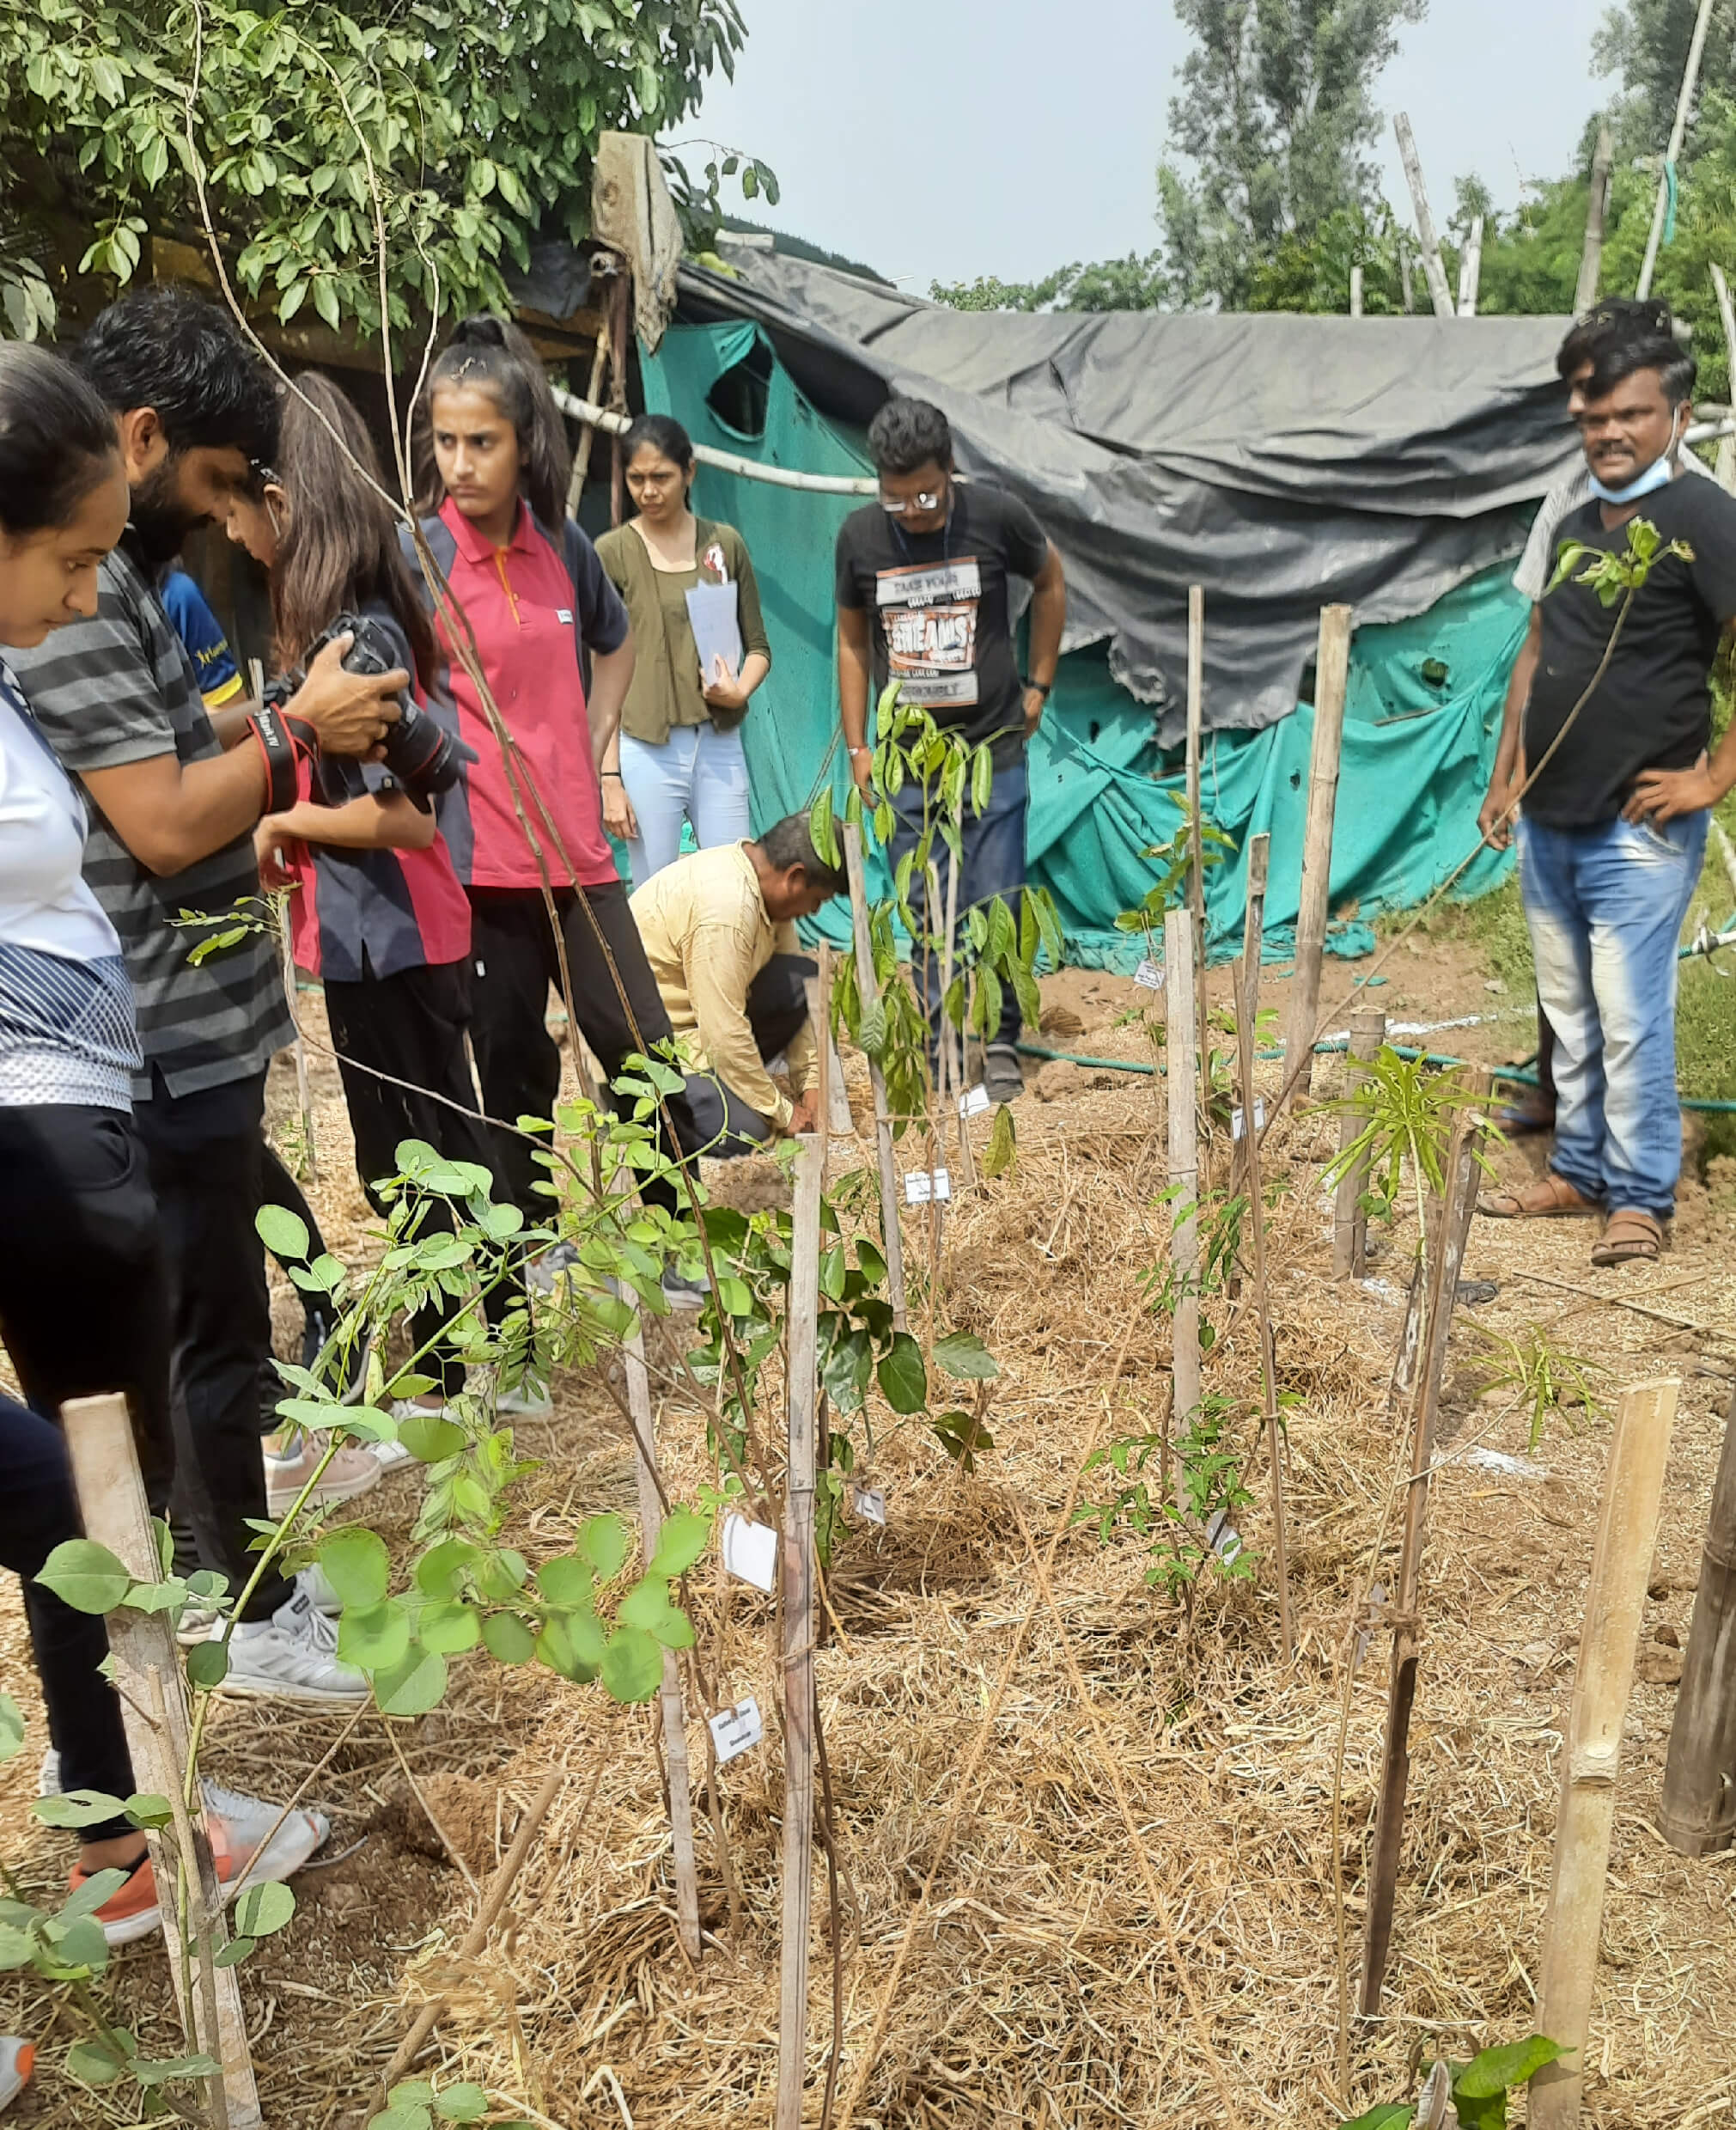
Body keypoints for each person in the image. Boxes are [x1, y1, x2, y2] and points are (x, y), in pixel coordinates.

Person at [6, 286, 393, 1701]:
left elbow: (165, 747)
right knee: (197, 1347)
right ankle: (236, 1615)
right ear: (150, 435)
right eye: (224, 482)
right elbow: (164, 821)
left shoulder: (109, 572)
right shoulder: (84, 578)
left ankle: (216, 1610)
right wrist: (296, 736)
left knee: (214, 1324)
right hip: (144, 1042)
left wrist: (275, 708)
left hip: (188, 1031)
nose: (232, 515)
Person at [0, 341, 329, 1945]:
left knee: (89, 1493)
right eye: (66, 558)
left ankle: (132, 1816)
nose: (82, 593)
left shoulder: (11, 660)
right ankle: (133, 1826)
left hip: (74, 1123)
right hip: (41, 1144)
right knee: (89, 1497)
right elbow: (157, 823)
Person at [230, 372, 517, 1440]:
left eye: (237, 506)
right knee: (396, 1151)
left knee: (430, 1145)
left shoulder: (359, 638)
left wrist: (282, 828)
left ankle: (478, 1357)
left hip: (400, 931)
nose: (231, 529)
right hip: (354, 938)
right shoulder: (340, 627)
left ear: (284, 500)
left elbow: (404, 822)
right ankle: (464, 1355)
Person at [410, 314, 704, 1298]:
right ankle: (532, 1252)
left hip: (578, 859)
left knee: (640, 1046)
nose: (460, 463)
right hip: (481, 869)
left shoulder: (563, 546)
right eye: (445, 442)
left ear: (524, 440)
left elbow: (612, 642)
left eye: (480, 442)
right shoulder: (418, 556)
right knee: (512, 1064)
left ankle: (675, 1243)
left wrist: (596, 740)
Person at [1476, 320, 1736, 1266]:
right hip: (1550, 815)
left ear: (1677, 416)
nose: (1608, 431)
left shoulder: (1704, 518)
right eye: (1593, 414)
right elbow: (1538, 649)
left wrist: (1709, 775)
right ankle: (1578, 1168)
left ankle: (1638, 1196)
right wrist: (1507, 774)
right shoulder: (1576, 517)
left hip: (1638, 824)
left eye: (1631, 413)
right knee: (1570, 1010)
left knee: (1629, 1016)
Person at [836, 395, 1066, 1105]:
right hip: (909, 762)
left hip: (993, 750)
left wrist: (1040, 683)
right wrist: (858, 746)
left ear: (952, 469)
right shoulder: (859, 538)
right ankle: (937, 1041)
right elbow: (849, 640)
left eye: (927, 493)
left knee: (994, 896)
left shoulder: (995, 516)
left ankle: (999, 1041)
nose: (913, 510)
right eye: (896, 498)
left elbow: (1052, 580)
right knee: (923, 901)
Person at [594, 414, 772, 886]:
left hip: (719, 744)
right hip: (644, 748)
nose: (648, 491)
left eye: (661, 477)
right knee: (656, 891)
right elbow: (602, 675)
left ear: (689, 473)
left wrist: (740, 693)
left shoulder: (724, 545)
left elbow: (758, 648)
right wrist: (609, 777)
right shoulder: (611, 553)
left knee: (731, 886)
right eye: (636, 479)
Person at [631, 816, 845, 1152]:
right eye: (818, 899)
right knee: (747, 1128)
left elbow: (795, 986)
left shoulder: (763, 884)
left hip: (700, 1023)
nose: (815, 911)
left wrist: (810, 1083)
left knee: (795, 977)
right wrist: (783, 1112)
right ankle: (637, 1108)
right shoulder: (726, 911)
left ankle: (726, 1087)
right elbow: (722, 1033)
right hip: (654, 1045)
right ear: (795, 878)